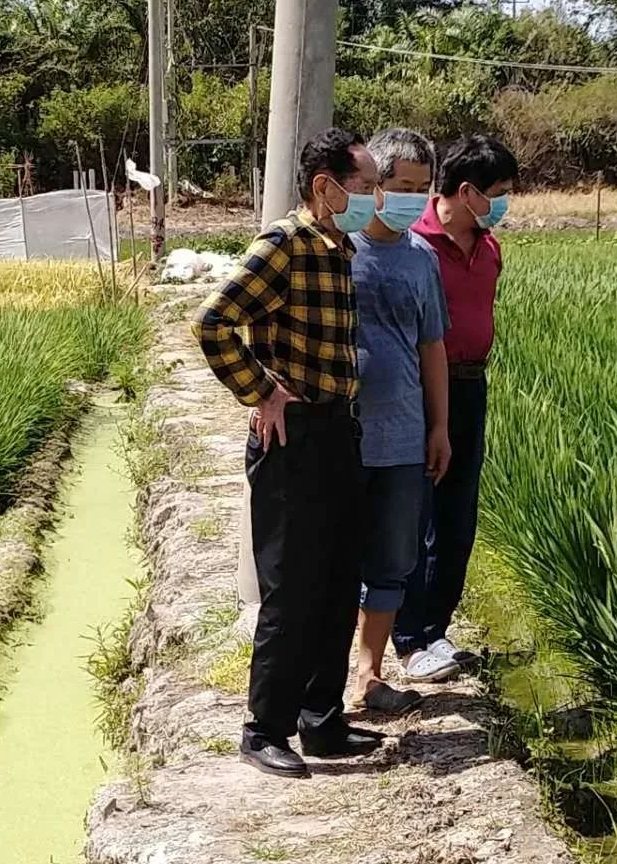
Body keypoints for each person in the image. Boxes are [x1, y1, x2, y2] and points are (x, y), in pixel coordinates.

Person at [192, 128, 383, 780]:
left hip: (338, 431)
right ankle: (263, 728)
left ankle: (322, 720)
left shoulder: (340, 245)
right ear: (324, 185)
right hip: (291, 439)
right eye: (364, 186)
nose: (373, 197)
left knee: (337, 582)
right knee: (293, 587)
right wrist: (262, 391)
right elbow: (213, 322)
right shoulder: (286, 244)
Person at [393, 134, 519, 682]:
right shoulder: (413, 242)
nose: (504, 204)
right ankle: (407, 635)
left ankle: (435, 631)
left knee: (458, 517)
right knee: (414, 514)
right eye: (499, 193)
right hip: (420, 390)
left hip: (471, 386)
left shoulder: (488, 246)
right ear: (466, 192)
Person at [350, 128, 451, 715]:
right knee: (337, 557)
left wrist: (438, 427)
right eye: (401, 186)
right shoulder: (337, 249)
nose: (412, 198)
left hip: (404, 434)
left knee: (392, 560)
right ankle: (323, 680)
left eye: (422, 188)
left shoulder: (421, 258)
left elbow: (431, 346)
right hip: (343, 435)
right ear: (374, 186)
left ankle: (369, 674)